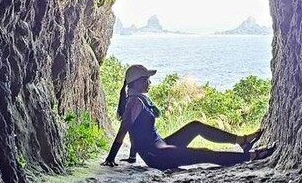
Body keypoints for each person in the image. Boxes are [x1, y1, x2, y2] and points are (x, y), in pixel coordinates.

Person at [102, 64, 275, 169]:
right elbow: (124, 130)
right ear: (138, 82)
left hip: (160, 145)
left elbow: (135, 132)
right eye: (147, 79)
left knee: (195, 126)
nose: (150, 83)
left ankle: (241, 141)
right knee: (203, 153)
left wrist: (133, 157)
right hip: (158, 156)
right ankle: (251, 156)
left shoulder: (138, 99)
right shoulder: (134, 102)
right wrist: (110, 159)